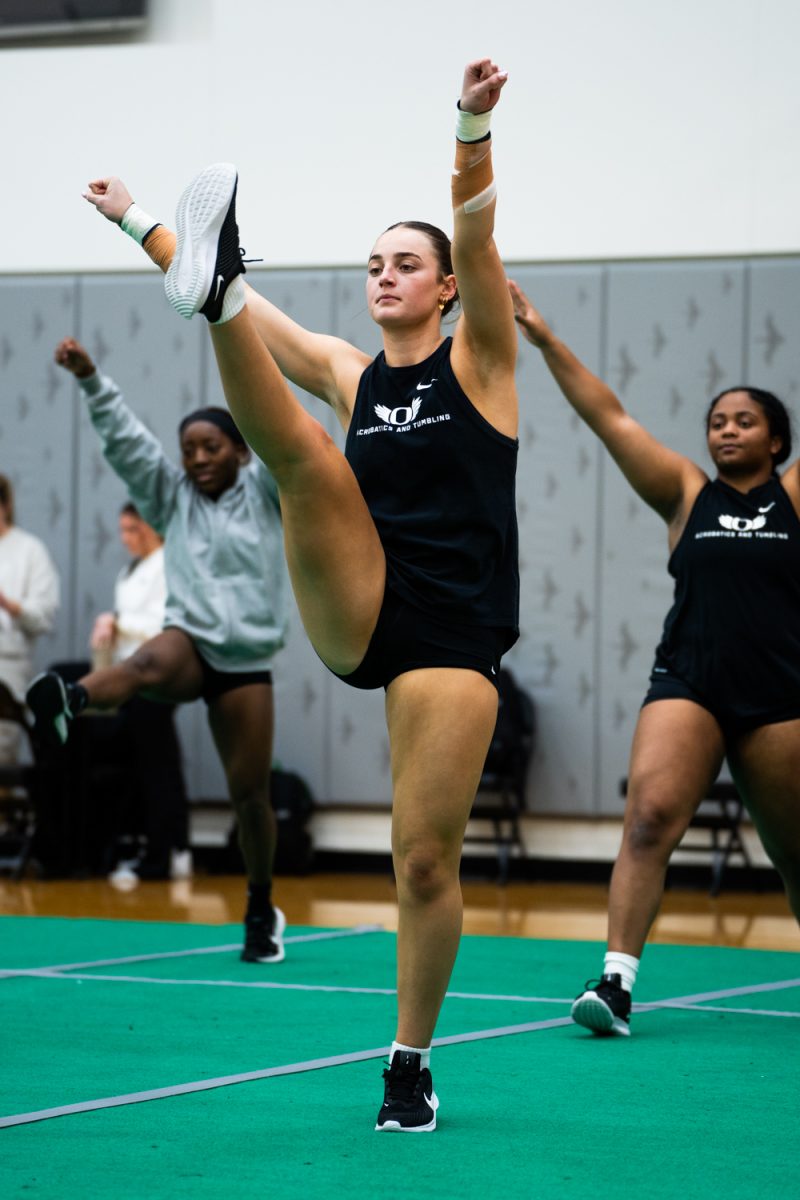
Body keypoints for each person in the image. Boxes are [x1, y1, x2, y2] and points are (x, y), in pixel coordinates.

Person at [83, 56, 518, 1131]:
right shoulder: (348, 370)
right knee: (309, 458)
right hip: (362, 598)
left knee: (422, 858)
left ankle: (408, 1059)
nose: (382, 277)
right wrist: (139, 218)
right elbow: (260, 313)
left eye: (404, 265)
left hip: (451, 636)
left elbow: (476, 230)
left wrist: (466, 123)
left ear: (445, 286)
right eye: (371, 264)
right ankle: (211, 301)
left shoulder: (484, 365)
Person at [509, 277, 800, 1037]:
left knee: (793, 852)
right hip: (689, 683)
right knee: (647, 820)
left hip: (781, 694)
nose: (727, 431)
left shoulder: (794, 497)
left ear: (777, 440)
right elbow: (609, 417)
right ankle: (615, 984)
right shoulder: (684, 493)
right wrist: (543, 339)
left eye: (746, 422)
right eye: (717, 421)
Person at [27, 340, 289, 964]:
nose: (197, 459)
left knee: (249, 794)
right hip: (190, 642)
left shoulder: (268, 492)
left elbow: (285, 432)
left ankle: (260, 904)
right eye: (189, 450)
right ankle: (72, 698)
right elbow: (127, 443)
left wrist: (265, 372)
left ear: (241, 451)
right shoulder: (172, 498)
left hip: (246, 659)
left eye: (211, 447)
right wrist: (92, 380)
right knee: (147, 661)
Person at [90, 502, 191, 884]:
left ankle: (165, 853)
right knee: (148, 764)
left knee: (158, 767)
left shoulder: (167, 564)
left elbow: (164, 624)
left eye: (132, 529)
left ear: (149, 528)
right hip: (130, 679)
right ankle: (157, 847)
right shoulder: (128, 571)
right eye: (122, 530)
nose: (126, 538)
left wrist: (118, 622)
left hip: (157, 677)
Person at [0, 474, 59, 764]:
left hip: (9, 660)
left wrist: (12, 606)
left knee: (2, 741)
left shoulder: (30, 550)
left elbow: (43, 616)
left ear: (6, 506)